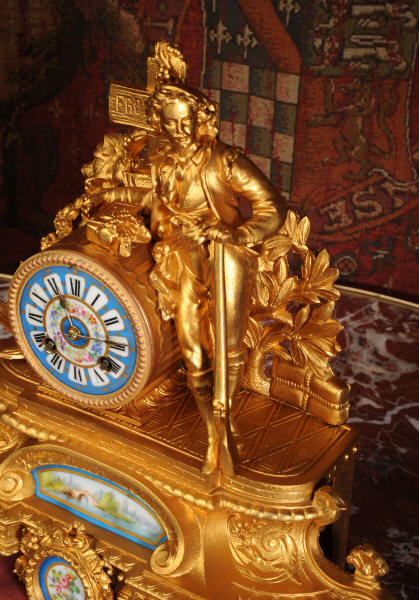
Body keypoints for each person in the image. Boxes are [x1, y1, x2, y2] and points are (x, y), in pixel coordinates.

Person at [139, 83, 287, 475]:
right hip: (182, 261)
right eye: (170, 123)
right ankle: (212, 429)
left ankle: (226, 416)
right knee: (193, 351)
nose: (179, 131)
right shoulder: (162, 166)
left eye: (185, 121)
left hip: (225, 257)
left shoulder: (224, 161)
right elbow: (155, 210)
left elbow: (272, 206)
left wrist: (238, 234)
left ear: (199, 119)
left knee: (229, 347)